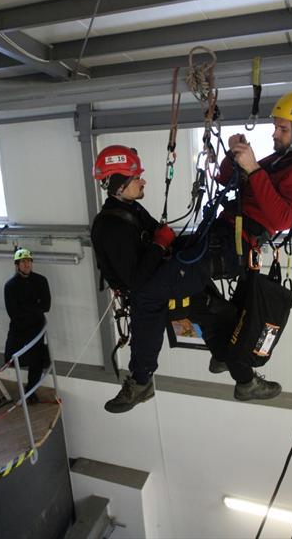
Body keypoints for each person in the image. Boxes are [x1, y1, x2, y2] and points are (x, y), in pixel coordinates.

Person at [195, 91, 292, 400]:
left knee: (186, 281)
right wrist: (233, 154)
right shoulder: (275, 161)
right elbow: (224, 179)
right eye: (275, 127)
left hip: (239, 241)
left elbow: (282, 218)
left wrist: (253, 169)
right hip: (222, 231)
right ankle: (227, 356)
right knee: (183, 274)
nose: (275, 134)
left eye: (283, 129)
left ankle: (229, 357)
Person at [91, 146, 212, 413]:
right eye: (136, 178)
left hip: (152, 270)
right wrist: (159, 245)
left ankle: (222, 348)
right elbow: (135, 278)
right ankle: (141, 381)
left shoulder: (132, 208)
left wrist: (174, 242)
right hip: (141, 284)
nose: (143, 181)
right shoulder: (111, 226)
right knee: (149, 306)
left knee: (197, 250)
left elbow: (158, 232)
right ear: (119, 186)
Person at [4, 248, 51, 404]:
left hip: (36, 326)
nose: (27, 264)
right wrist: (34, 306)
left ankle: (31, 391)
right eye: (23, 262)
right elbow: (13, 313)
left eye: (29, 261)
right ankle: (35, 363)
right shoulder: (10, 286)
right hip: (19, 327)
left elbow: (46, 306)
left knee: (36, 360)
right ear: (17, 265)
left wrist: (25, 307)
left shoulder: (41, 281)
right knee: (9, 357)